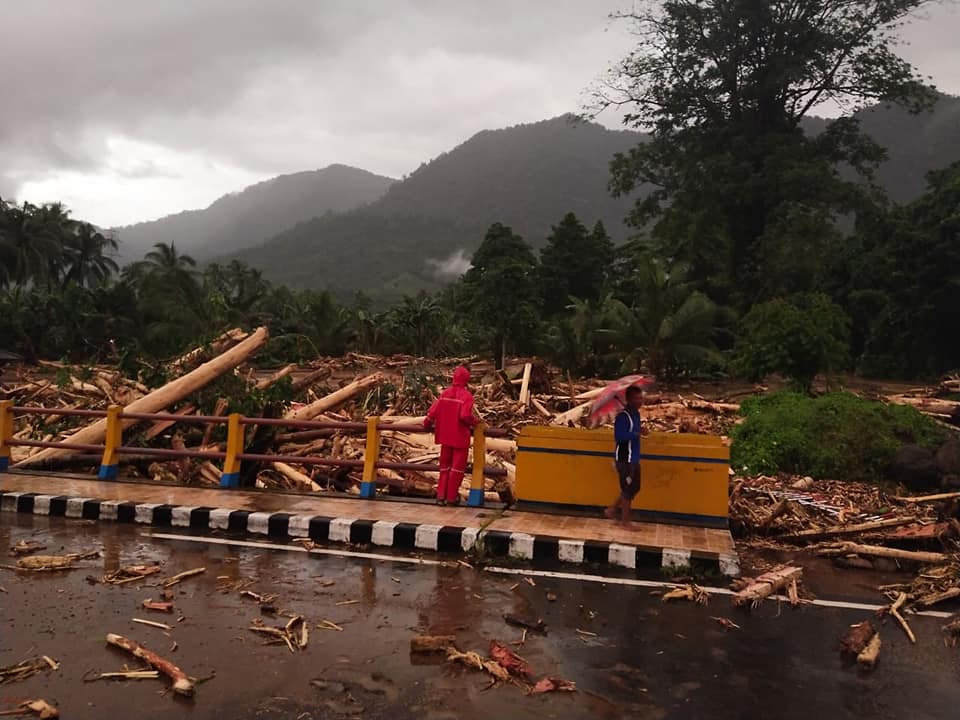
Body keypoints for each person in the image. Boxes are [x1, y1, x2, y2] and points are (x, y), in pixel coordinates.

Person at [424, 366, 478, 506]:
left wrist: (427, 424)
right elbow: (465, 415)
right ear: (466, 380)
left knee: (444, 467)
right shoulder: (467, 396)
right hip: (460, 437)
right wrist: (475, 423)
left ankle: (440, 496)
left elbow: (432, 412)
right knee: (457, 469)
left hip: (445, 436)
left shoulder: (445, 394)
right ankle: (451, 497)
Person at [605, 385, 643, 526]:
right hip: (625, 459)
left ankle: (611, 510)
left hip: (634, 458)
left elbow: (635, 432)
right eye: (636, 398)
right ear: (629, 400)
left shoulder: (636, 414)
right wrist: (635, 434)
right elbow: (619, 436)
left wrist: (640, 430)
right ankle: (625, 522)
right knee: (628, 490)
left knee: (634, 488)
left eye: (641, 397)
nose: (640, 401)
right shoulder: (623, 416)